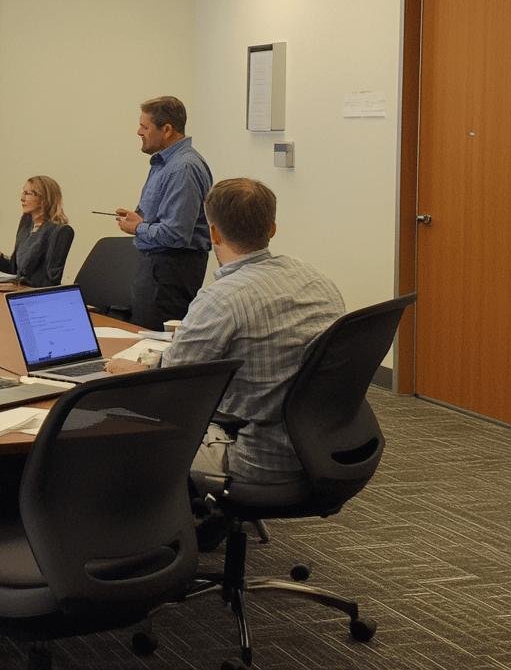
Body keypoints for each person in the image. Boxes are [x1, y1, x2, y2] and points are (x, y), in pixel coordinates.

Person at [107, 178, 344, 492]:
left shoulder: (221, 298)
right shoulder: (317, 280)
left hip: (255, 458)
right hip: (323, 446)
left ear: (214, 232)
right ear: (272, 229)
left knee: (122, 433)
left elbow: (174, 387)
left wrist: (139, 370)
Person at [110, 96, 213, 331]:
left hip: (170, 273)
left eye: (145, 127)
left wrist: (137, 228)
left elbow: (176, 233)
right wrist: (140, 221)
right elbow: (163, 220)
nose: (138, 132)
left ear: (166, 129)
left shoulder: (183, 168)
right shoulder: (165, 164)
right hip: (157, 269)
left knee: (153, 346)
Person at [0, 175, 75, 287]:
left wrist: (16, 284)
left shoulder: (60, 232)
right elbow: (15, 270)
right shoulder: (26, 223)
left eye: (28, 193)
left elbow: (50, 282)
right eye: (23, 192)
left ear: (44, 199)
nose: (22, 198)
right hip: (19, 289)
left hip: (35, 297)